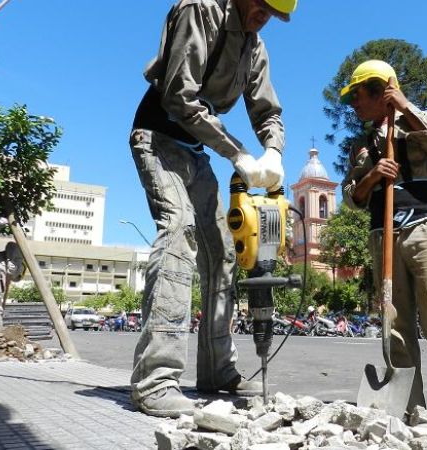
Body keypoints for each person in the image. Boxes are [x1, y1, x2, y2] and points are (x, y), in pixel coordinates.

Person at [128, 0, 296, 418]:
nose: (264, 18)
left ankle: (218, 371)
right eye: (261, 6)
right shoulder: (199, 9)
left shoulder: (255, 48)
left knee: (222, 253)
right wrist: (238, 154)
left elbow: (267, 110)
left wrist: (273, 151)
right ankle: (156, 381)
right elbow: (178, 96)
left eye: (273, 15)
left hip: (196, 150)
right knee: (179, 230)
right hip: (157, 137)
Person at [340, 60, 427, 435]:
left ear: (380, 90)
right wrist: (371, 177)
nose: (353, 104)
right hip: (383, 235)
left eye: (358, 95)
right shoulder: (362, 145)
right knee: (394, 323)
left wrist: (405, 107)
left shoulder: (417, 121)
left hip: (426, 228)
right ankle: (411, 405)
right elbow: (351, 198)